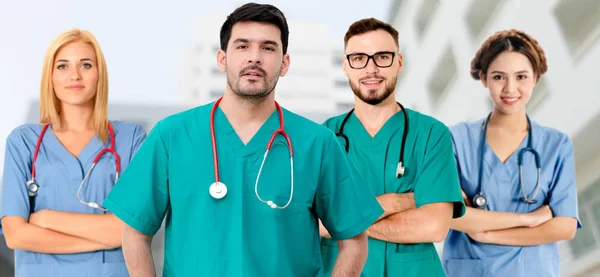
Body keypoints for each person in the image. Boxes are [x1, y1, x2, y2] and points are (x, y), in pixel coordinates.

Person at [102, 3, 383, 277]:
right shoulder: (171, 136)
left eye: (268, 48)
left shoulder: (318, 144)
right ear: (222, 59)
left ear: (284, 64)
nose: (254, 57)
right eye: (242, 46)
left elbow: (354, 241)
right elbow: (136, 232)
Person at [319, 18, 466, 277]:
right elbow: (308, 221)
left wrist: (345, 220)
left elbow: (434, 226)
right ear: (345, 66)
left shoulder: (431, 133)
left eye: (382, 57)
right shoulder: (323, 137)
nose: (371, 68)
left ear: (399, 62)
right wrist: (401, 202)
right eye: (358, 58)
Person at [0, 28, 146, 276]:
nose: (75, 75)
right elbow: (15, 234)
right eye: (63, 66)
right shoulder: (23, 142)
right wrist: (106, 238)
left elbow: (135, 227)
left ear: (100, 75)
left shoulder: (130, 139)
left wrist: (47, 219)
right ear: (50, 77)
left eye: (86, 65)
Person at [442, 29, 581, 277]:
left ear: (535, 78)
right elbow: (450, 215)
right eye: (498, 77)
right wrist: (526, 219)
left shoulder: (556, 145)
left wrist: (485, 232)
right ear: (484, 79)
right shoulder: (456, 139)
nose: (510, 88)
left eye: (521, 76)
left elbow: (565, 226)